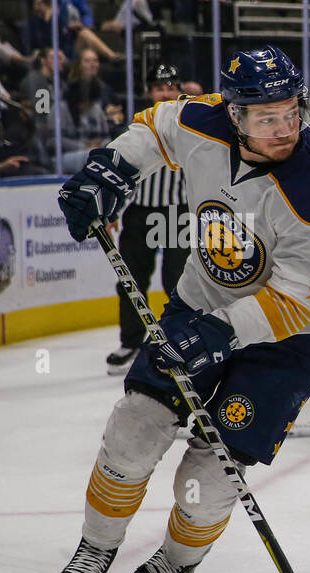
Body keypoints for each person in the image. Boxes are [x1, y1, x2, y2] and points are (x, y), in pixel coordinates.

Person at [51, 46, 310, 573]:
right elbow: (151, 129)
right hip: (200, 299)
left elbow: (295, 299)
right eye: (268, 117)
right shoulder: (203, 118)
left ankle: (176, 558)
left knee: (211, 476)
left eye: (292, 112)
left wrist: (217, 334)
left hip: (291, 338)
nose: (285, 128)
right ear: (236, 115)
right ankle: (97, 545)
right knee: (135, 427)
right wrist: (109, 170)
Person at [104, 64, 191, 375]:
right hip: (140, 213)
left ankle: (182, 341)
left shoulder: (191, 125)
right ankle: (131, 342)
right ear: (149, 92)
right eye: (158, 88)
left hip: (178, 213)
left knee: (177, 281)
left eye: (170, 87)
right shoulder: (137, 127)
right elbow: (120, 170)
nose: (164, 93)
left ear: (179, 89)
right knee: (131, 279)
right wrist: (111, 210)